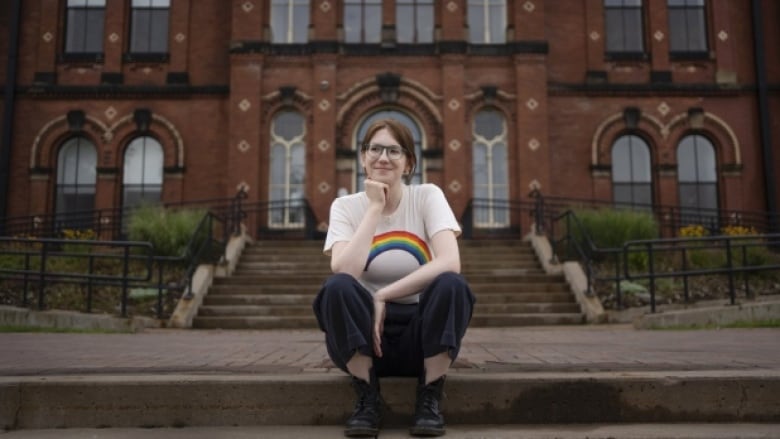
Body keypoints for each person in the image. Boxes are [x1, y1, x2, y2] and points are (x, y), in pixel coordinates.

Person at [313, 118, 476, 437]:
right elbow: (344, 270)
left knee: (452, 285)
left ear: (409, 163)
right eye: (374, 148)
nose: (382, 157)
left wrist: (382, 295)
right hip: (362, 338)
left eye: (393, 150)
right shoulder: (345, 207)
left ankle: (429, 396)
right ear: (362, 158)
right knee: (336, 287)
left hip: (421, 336)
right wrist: (375, 208)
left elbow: (450, 261)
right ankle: (367, 397)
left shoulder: (427, 196)